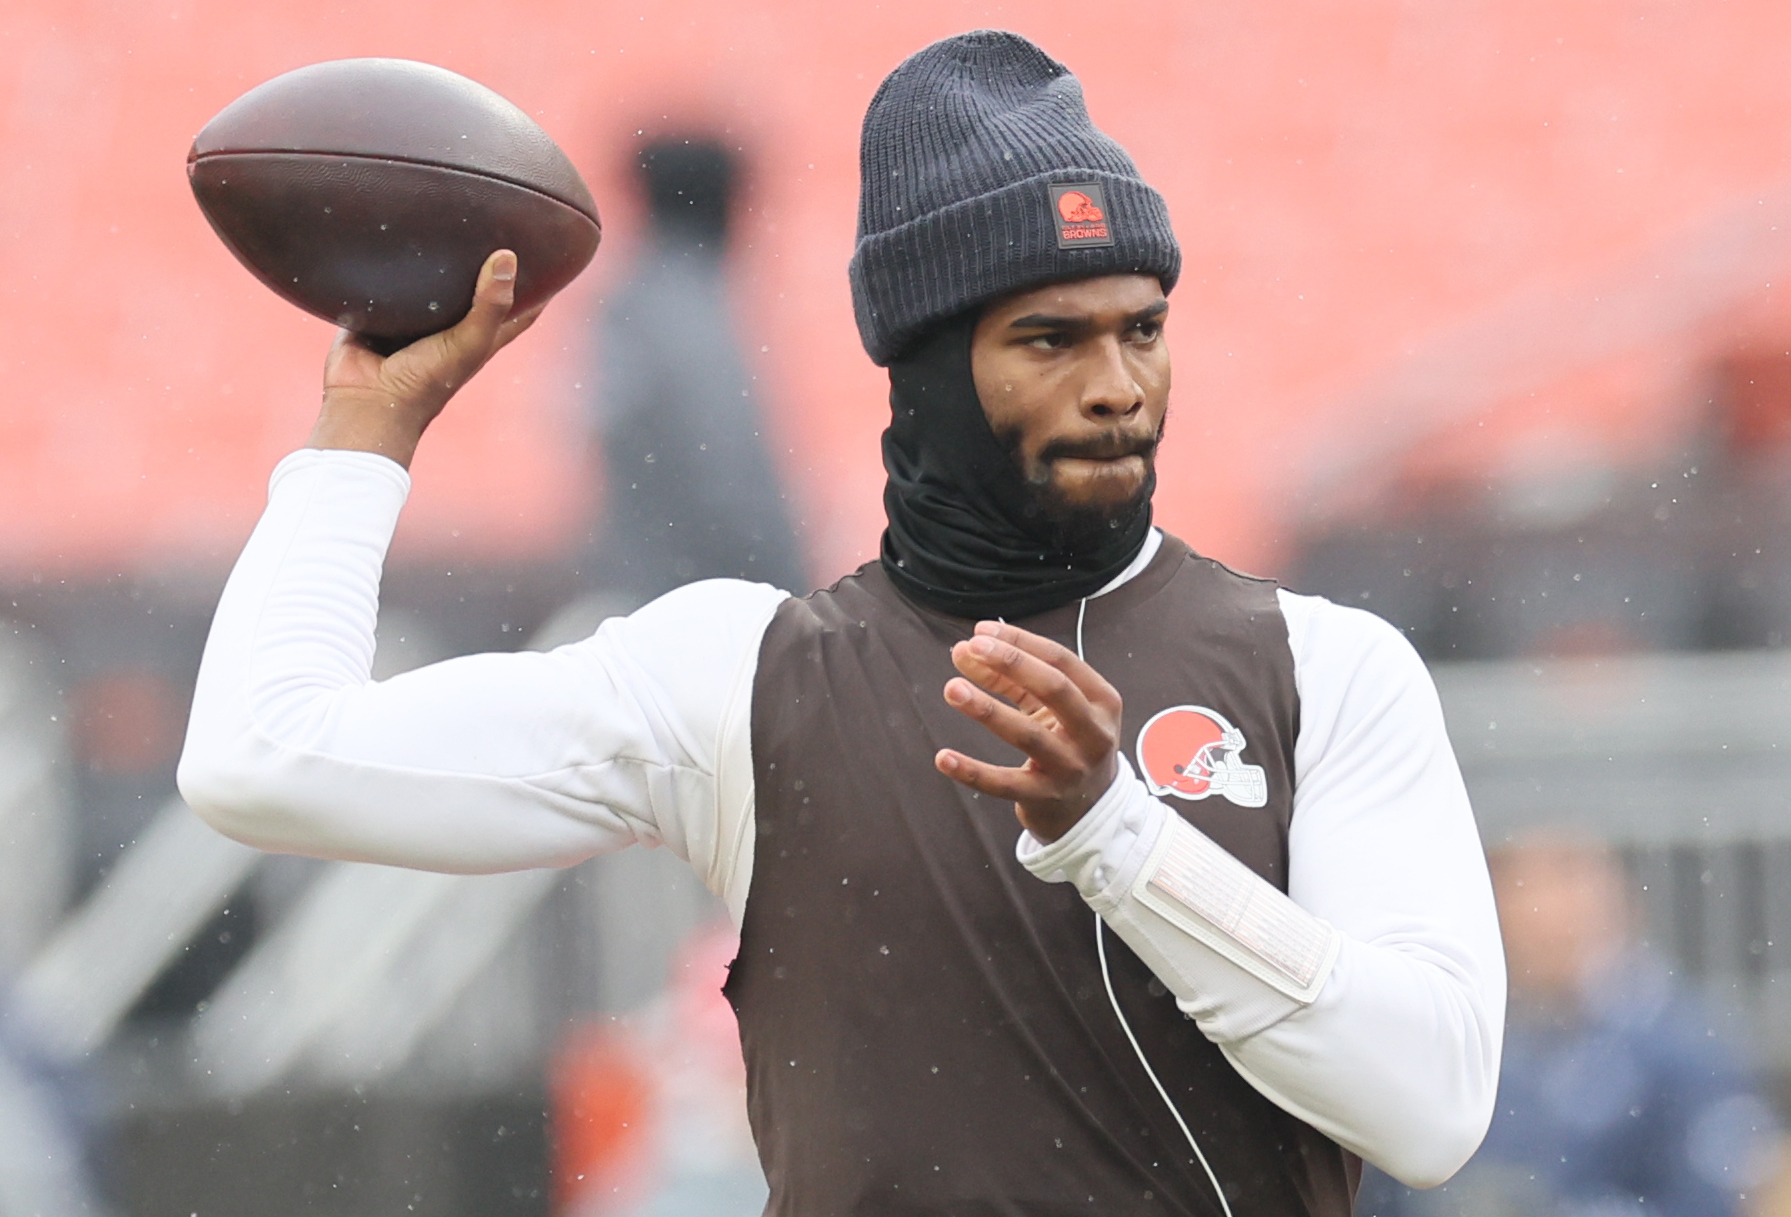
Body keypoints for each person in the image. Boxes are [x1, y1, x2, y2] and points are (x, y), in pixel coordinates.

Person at [179, 31, 1505, 1216]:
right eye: (1049, 340)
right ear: (925, 366)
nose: (1116, 387)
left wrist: (1117, 838)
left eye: (1141, 331)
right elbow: (258, 758)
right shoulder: (734, 677)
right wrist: (364, 432)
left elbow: (1430, 1108)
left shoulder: (1322, 664)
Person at [1357, 832, 1781, 1217]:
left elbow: (1712, 1194)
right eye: (1519, 898)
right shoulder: (1458, 1039)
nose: (1541, 918)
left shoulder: (1679, 1046)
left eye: (1564, 888)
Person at [584, 136, 808, 603]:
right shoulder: (689, 312)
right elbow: (727, 476)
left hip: (649, 587)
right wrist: (786, 589)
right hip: (701, 595)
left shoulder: (633, 303)